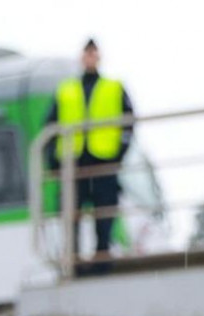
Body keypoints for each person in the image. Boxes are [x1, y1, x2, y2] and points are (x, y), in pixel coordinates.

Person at [45, 39, 135, 272]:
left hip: (104, 160)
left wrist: (118, 155)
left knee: (104, 213)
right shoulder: (66, 89)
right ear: (81, 57)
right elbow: (50, 125)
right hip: (73, 162)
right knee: (71, 212)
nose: (90, 58)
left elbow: (128, 123)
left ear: (99, 57)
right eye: (86, 53)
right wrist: (53, 161)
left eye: (93, 53)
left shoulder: (114, 87)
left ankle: (102, 258)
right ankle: (73, 261)